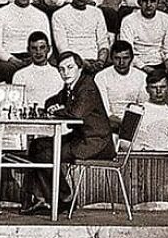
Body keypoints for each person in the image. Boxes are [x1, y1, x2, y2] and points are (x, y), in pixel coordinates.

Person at [23, 51, 114, 215]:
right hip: (81, 137)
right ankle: (43, 198)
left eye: (70, 67)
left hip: (95, 142)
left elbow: (75, 114)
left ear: (80, 68)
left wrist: (58, 111)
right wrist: (54, 106)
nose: (65, 73)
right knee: (37, 145)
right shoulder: (73, 85)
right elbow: (55, 100)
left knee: (45, 155)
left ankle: (62, 199)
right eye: (61, 69)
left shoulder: (87, 87)